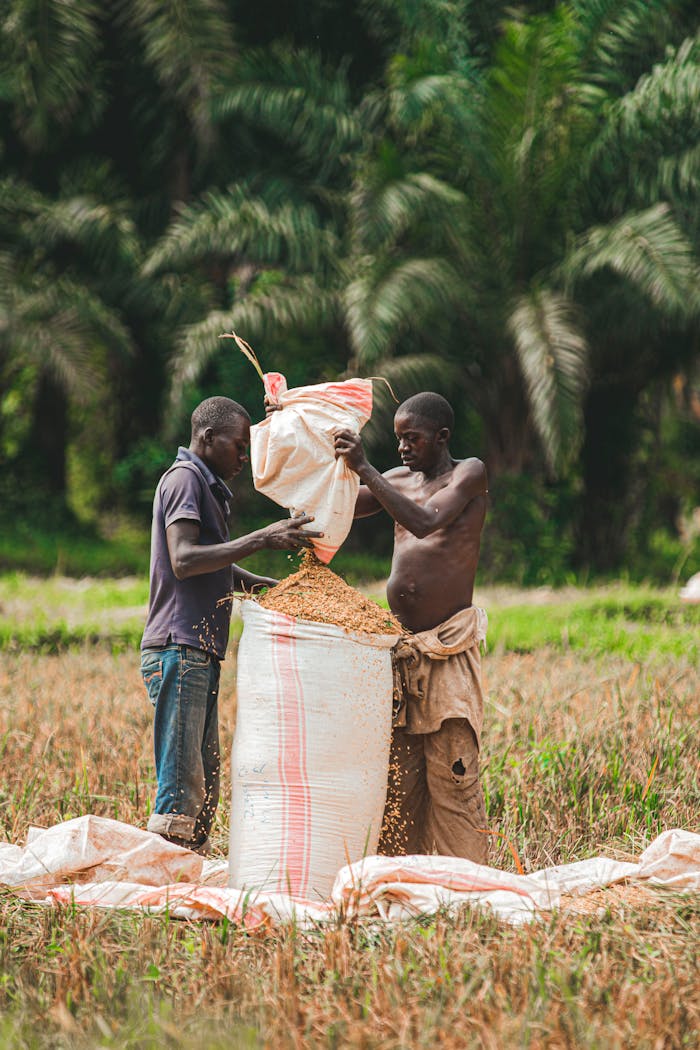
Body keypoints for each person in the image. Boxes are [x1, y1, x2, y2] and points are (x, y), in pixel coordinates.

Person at [141, 396, 320, 854]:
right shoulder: (185, 481)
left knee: (202, 782)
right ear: (207, 438)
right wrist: (261, 538)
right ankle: (166, 889)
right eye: (239, 446)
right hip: (180, 648)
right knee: (182, 786)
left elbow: (214, 567)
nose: (244, 457)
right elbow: (184, 560)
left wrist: (267, 588)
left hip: (198, 651)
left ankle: (184, 872)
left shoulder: (209, 487)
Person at [334, 392, 489, 864]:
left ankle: (468, 879)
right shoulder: (396, 479)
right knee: (398, 779)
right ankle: (402, 876)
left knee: (452, 772)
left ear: (442, 437)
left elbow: (425, 522)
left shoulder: (469, 473)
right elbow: (338, 509)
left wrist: (364, 468)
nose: (402, 447)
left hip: (446, 647)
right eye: (399, 438)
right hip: (401, 650)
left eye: (413, 438)